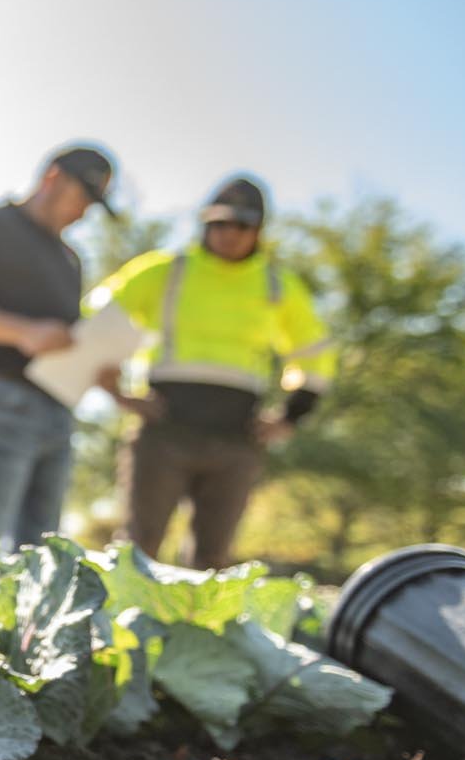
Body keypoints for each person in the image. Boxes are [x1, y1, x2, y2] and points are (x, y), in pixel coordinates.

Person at [90, 176, 337, 570]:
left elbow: (315, 354)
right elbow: (98, 316)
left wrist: (291, 416)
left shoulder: (278, 285)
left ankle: (194, 632)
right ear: (206, 223)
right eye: (220, 223)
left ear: (258, 230)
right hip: (164, 430)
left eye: (242, 225)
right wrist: (114, 389)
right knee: (139, 547)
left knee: (213, 560)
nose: (229, 234)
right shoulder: (167, 271)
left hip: (235, 439)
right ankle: (121, 632)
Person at [0, 145, 118, 550]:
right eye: (82, 196)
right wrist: (23, 332)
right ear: (52, 178)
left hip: (58, 414)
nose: (84, 211)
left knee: (40, 552)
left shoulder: (70, 260)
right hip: (1, 403)